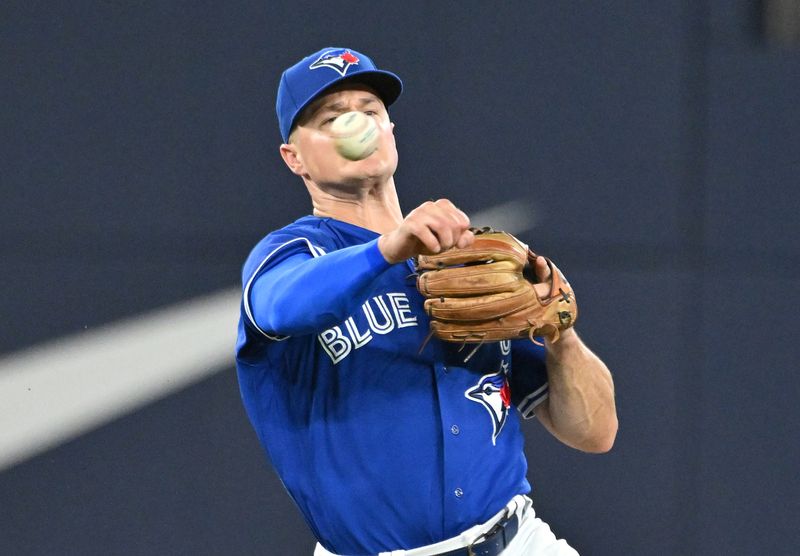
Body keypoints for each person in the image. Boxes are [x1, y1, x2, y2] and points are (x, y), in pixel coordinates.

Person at [235, 47, 618, 556]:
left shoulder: (462, 266)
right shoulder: (293, 254)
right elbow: (279, 306)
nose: (358, 123)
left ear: (391, 130)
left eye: (370, 110)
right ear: (294, 157)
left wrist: (561, 335)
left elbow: (595, 433)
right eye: (332, 117)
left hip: (516, 540)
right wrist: (387, 249)